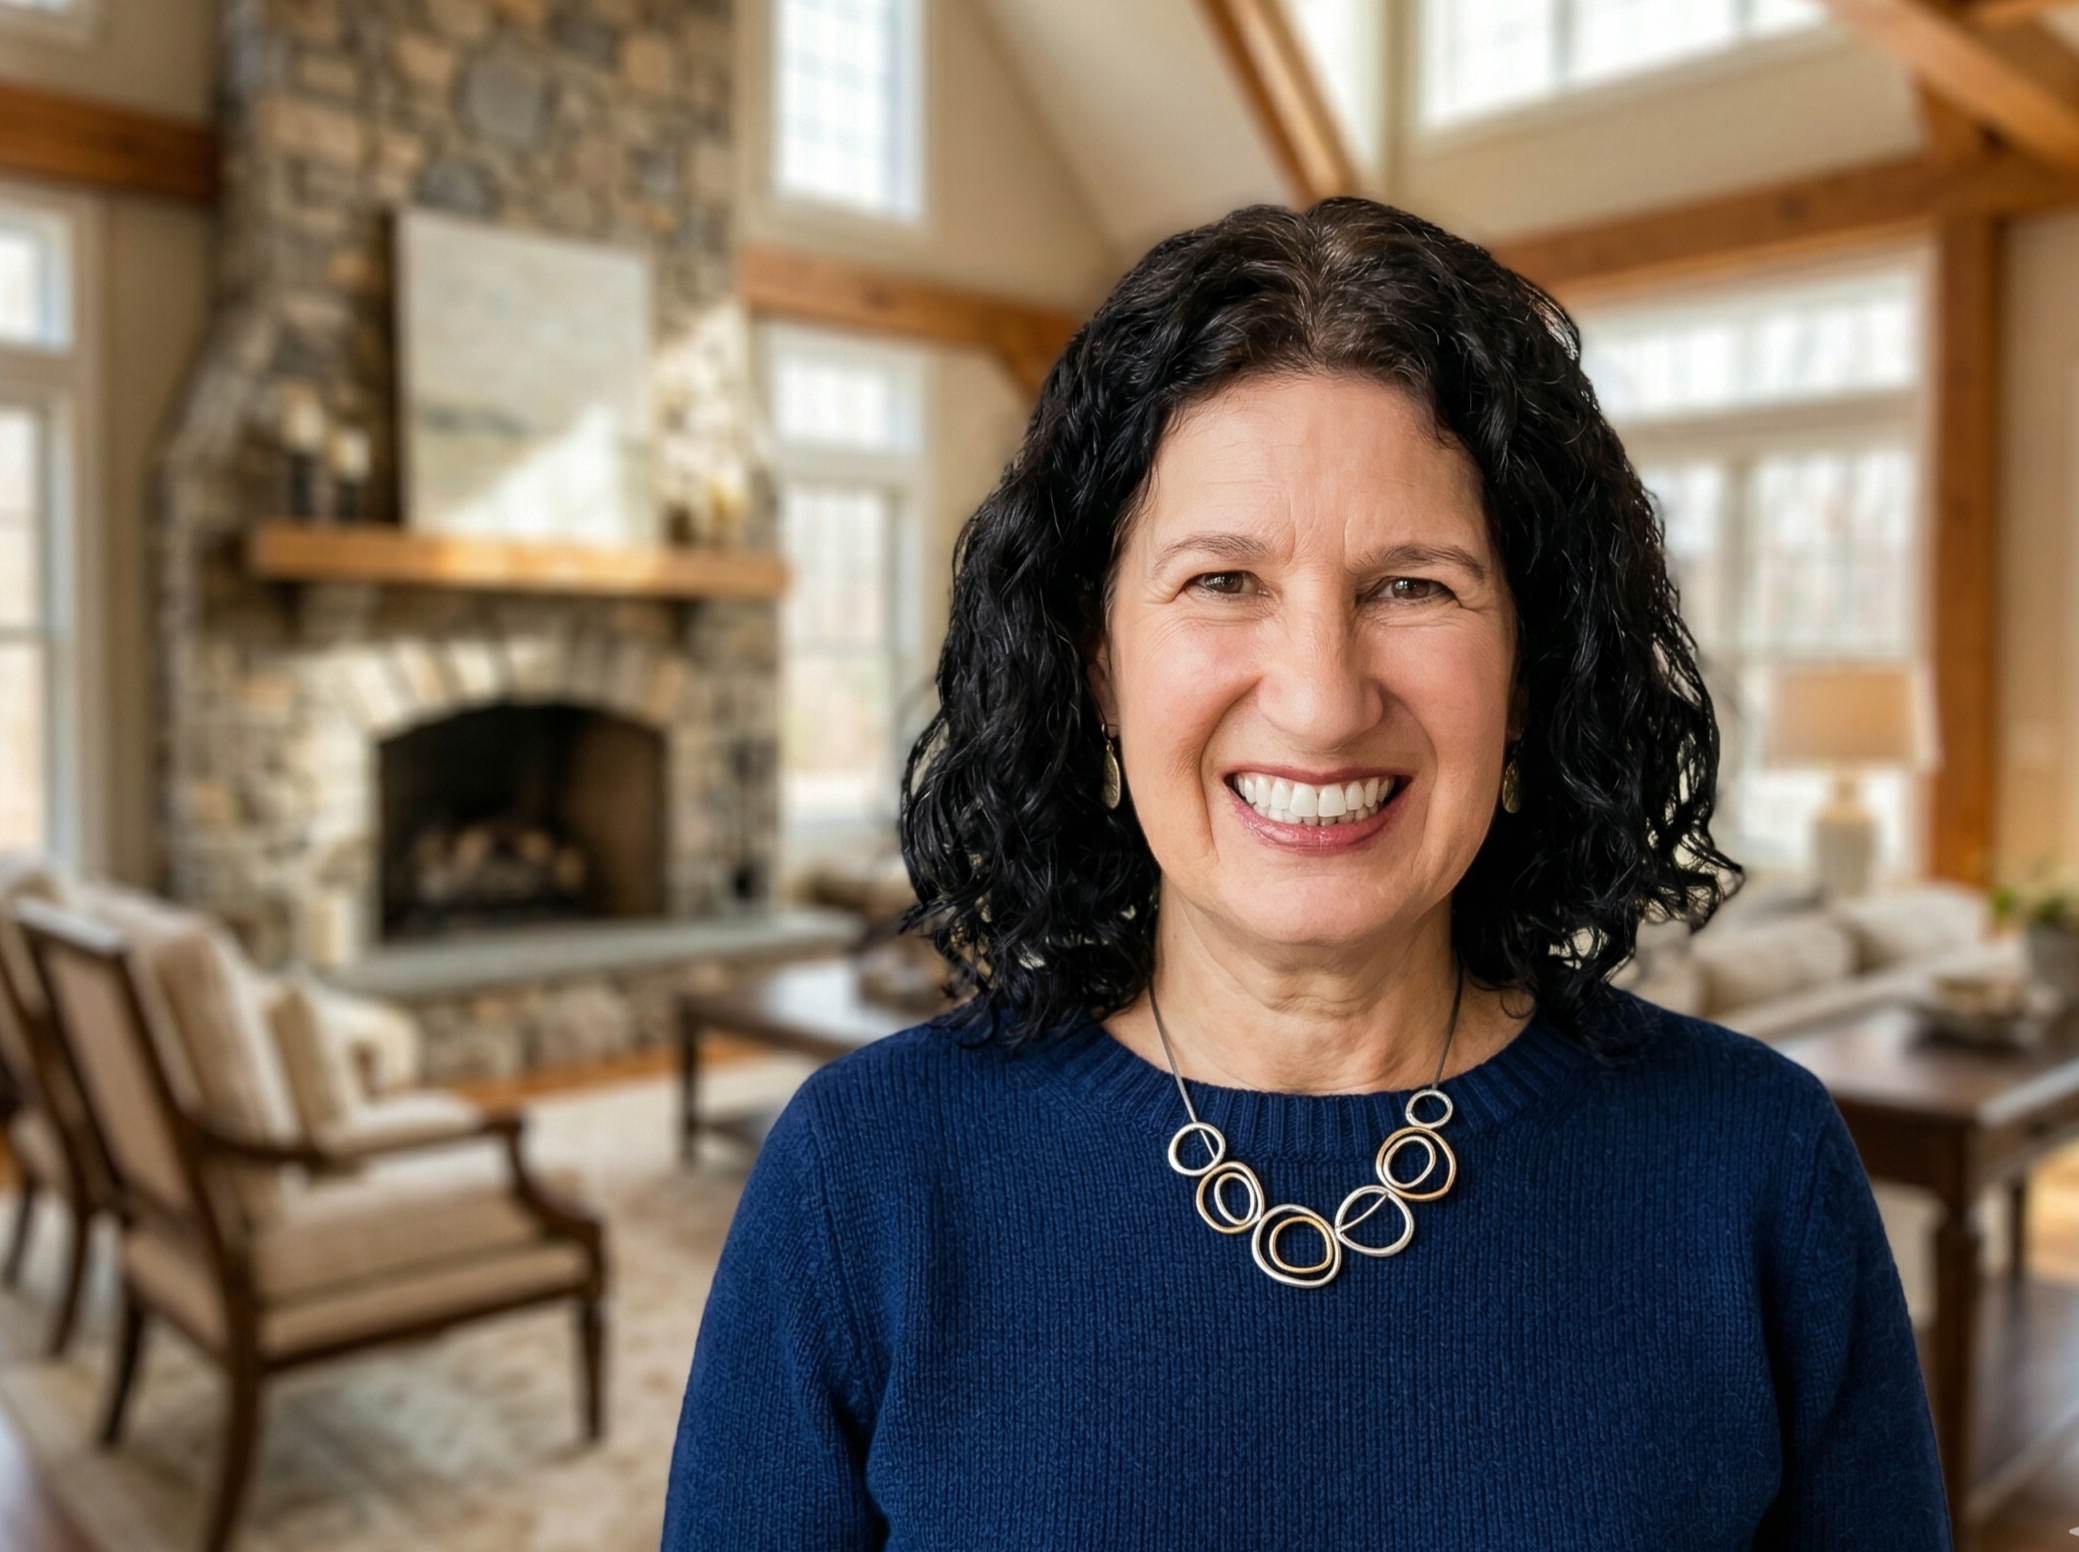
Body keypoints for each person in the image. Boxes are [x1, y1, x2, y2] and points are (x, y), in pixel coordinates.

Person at [662, 200, 1947, 1549]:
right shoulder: (861, 1177)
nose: (1322, 702)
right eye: (1223, 580)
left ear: (1529, 667)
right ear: (1097, 662)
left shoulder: (1759, 1167)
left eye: (1413, 587)